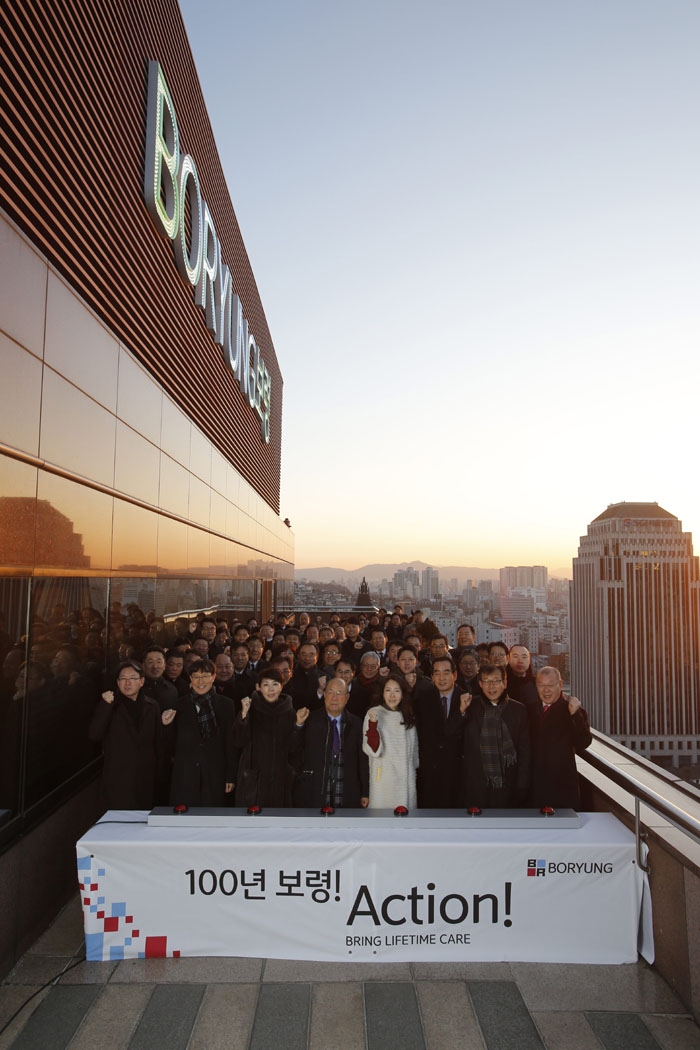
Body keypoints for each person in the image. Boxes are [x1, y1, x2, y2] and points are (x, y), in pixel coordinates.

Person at [454, 663, 531, 808]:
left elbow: (525, 751)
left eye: (496, 681)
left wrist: (522, 785)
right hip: (475, 783)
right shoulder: (470, 706)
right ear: (480, 684)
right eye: (487, 681)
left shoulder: (518, 710)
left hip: (508, 783)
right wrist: (461, 712)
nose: (491, 686)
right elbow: (454, 737)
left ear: (505, 683)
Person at [162, 658, 236, 807]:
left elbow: (230, 743)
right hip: (186, 774)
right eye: (196, 677)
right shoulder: (179, 704)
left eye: (205, 676)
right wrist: (166, 726)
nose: (200, 681)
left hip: (215, 773)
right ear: (190, 678)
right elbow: (170, 744)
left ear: (213, 677)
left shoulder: (226, 705)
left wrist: (230, 776)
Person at [89, 660, 162, 809]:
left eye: (133, 678)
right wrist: (105, 706)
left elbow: (158, 743)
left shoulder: (152, 706)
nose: (127, 683)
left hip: (146, 777)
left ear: (141, 682)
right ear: (117, 682)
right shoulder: (110, 705)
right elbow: (94, 734)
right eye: (123, 678)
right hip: (118, 779)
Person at [234, 669, 308, 806]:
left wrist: (298, 725)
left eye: (275, 684)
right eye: (266, 685)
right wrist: (243, 715)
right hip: (254, 780)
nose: (271, 689)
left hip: (281, 780)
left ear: (282, 686)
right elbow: (239, 741)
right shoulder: (250, 710)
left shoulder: (290, 713)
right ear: (258, 687)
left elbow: (294, 749)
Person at [295, 678, 369, 808]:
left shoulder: (357, 724)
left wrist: (365, 792)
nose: (334, 697)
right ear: (324, 695)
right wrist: (298, 725)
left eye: (339, 693)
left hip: (347, 792)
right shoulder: (310, 720)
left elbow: (363, 761)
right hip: (314, 790)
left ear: (347, 698)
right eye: (330, 692)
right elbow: (294, 749)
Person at [530, 667, 592, 809]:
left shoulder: (572, 711)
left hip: (562, 787)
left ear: (560, 684)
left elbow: (583, 742)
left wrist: (575, 715)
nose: (546, 690)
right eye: (541, 685)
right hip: (533, 787)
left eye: (551, 685)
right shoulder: (529, 710)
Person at [413, 656, 465, 808]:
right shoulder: (423, 699)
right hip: (429, 770)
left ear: (455, 675)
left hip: (457, 770)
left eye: (446, 672)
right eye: (437, 673)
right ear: (432, 677)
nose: (442, 678)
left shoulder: (467, 698)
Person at [363, 674, 419, 810]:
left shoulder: (407, 716)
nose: (392, 695)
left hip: (406, 781)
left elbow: (414, 754)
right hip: (383, 780)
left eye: (397, 691)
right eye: (388, 690)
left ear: (402, 694)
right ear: (382, 693)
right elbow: (373, 750)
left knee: (405, 816)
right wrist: (373, 724)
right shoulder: (374, 713)